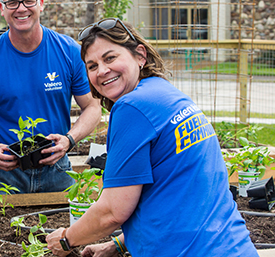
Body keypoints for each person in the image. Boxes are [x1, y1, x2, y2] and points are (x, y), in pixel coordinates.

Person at [46, 18, 257, 256]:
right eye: (92, 66)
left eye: (110, 58)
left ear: (140, 55)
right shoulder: (164, 92)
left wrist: (65, 239)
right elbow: (176, 192)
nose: (102, 71)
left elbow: (112, 211)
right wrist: (118, 244)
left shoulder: (132, 107)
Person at [0, 0, 101, 195]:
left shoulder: (69, 52)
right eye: (12, 2)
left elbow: (92, 106)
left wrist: (69, 139)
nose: (21, 8)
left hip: (56, 167)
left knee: (69, 229)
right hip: (2, 173)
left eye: (28, 1)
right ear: (2, 9)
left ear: (41, 4)